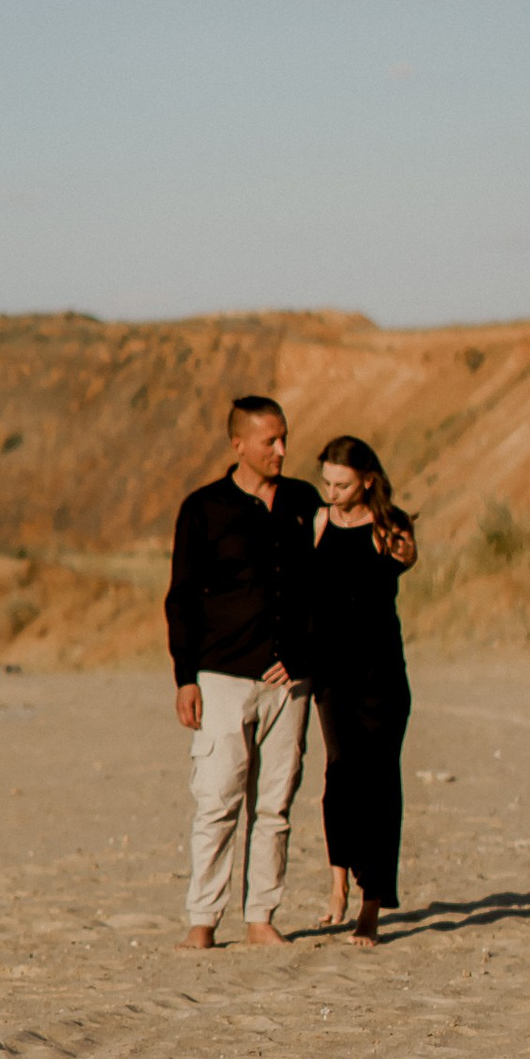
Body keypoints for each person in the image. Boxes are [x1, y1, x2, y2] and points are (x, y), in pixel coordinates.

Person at [165, 393, 319, 950]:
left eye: (284, 438)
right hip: (223, 678)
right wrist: (186, 677)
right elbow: (181, 598)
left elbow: (322, 590)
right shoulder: (203, 509)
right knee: (218, 803)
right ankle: (202, 922)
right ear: (239, 445)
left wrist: (304, 657)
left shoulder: (303, 500)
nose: (281, 449)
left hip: (289, 683)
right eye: (269, 441)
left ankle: (261, 919)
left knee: (275, 806)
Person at [308, 433, 415, 946]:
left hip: (381, 676)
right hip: (332, 675)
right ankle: (337, 885)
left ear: (367, 479)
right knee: (338, 774)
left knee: (378, 784)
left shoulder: (390, 528)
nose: (332, 491)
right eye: (326, 481)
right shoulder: (320, 522)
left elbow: (406, 561)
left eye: (342, 483)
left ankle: (372, 902)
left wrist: (399, 540)